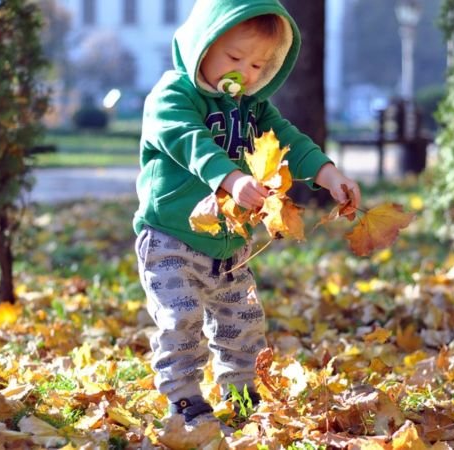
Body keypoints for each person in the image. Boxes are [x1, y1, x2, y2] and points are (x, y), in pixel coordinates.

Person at [132, 0, 362, 431]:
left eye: (259, 64)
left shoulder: (253, 108)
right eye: (234, 58)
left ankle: (240, 392)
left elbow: (288, 141)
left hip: (231, 245)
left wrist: (328, 175)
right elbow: (190, 141)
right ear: (204, 45)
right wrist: (231, 179)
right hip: (170, 237)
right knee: (180, 318)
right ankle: (183, 398)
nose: (247, 72)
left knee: (243, 323)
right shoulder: (172, 94)